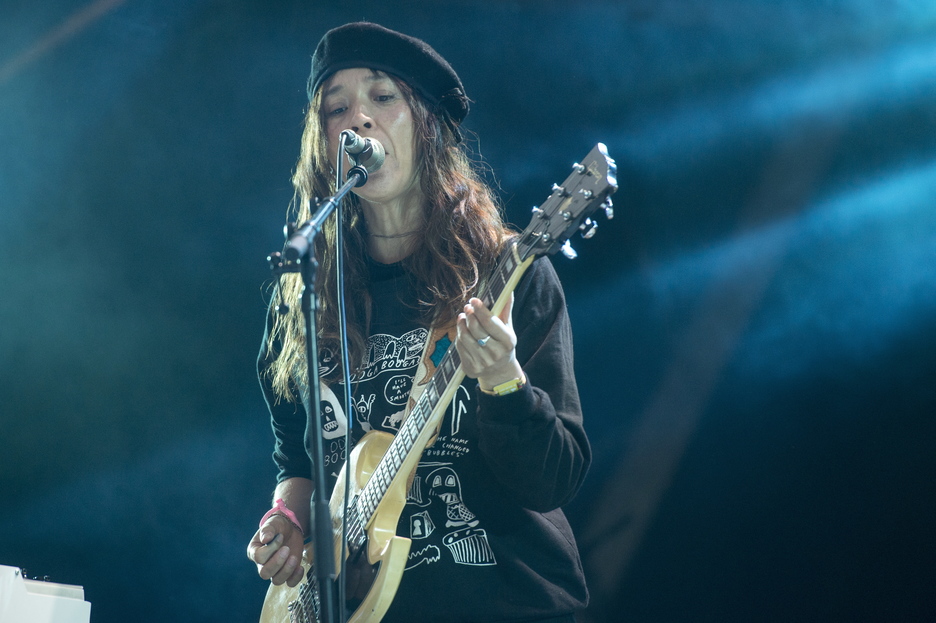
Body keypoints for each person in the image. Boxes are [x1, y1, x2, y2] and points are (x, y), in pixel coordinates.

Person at [246, 22, 590, 623]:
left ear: (425, 124)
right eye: (337, 109)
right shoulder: (305, 301)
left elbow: (553, 480)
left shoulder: (506, 276)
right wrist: (288, 522)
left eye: (383, 98)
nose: (359, 121)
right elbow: (298, 464)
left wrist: (503, 381)